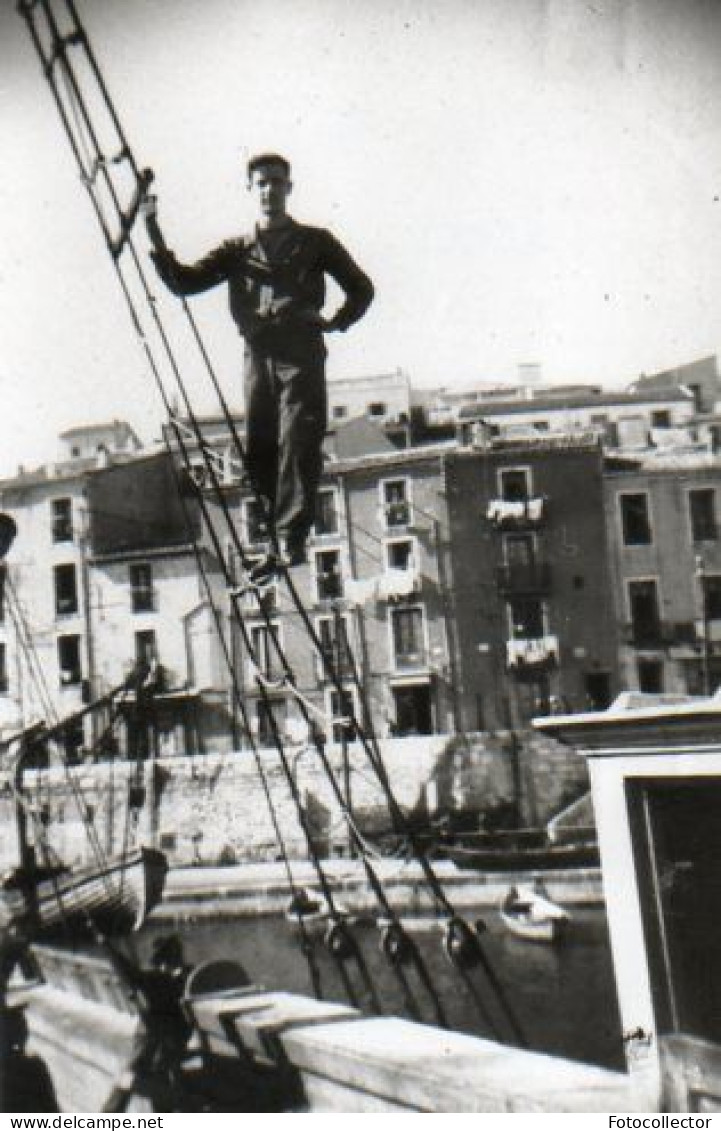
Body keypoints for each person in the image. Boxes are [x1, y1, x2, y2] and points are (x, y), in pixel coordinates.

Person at [142, 153, 374, 576]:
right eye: (261, 183)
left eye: (276, 182)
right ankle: (277, 538)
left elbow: (361, 288)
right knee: (261, 449)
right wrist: (152, 227)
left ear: (289, 187)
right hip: (257, 355)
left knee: (299, 441)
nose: (269, 190)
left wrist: (335, 322)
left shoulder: (316, 241)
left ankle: (291, 538)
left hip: (301, 352)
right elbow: (184, 281)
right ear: (251, 190)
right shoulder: (236, 250)